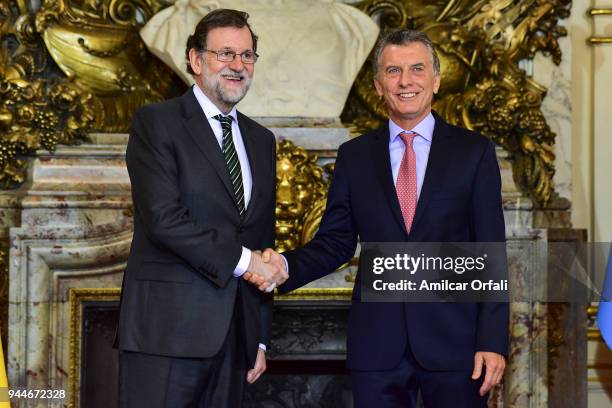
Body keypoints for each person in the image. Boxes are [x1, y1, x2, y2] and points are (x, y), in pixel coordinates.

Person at [245, 29, 508, 407]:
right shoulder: (354, 156)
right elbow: (335, 242)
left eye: (417, 69)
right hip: (378, 348)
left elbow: (490, 252)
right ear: (378, 85)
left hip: (457, 345)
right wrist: (283, 265)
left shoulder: (474, 152)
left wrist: (492, 341)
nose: (406, 81)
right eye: (393, 71)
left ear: (435, 80)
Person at [115, 9, 287, 408]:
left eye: (247, 56)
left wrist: (258, 336)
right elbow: (164, 220)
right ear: (195, 59)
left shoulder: (261, 140)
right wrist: (248, 263)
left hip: (233, 341)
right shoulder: (156, 123)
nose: (237, 66)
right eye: (225, 53)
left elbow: (260, 238)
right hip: (165, 334)